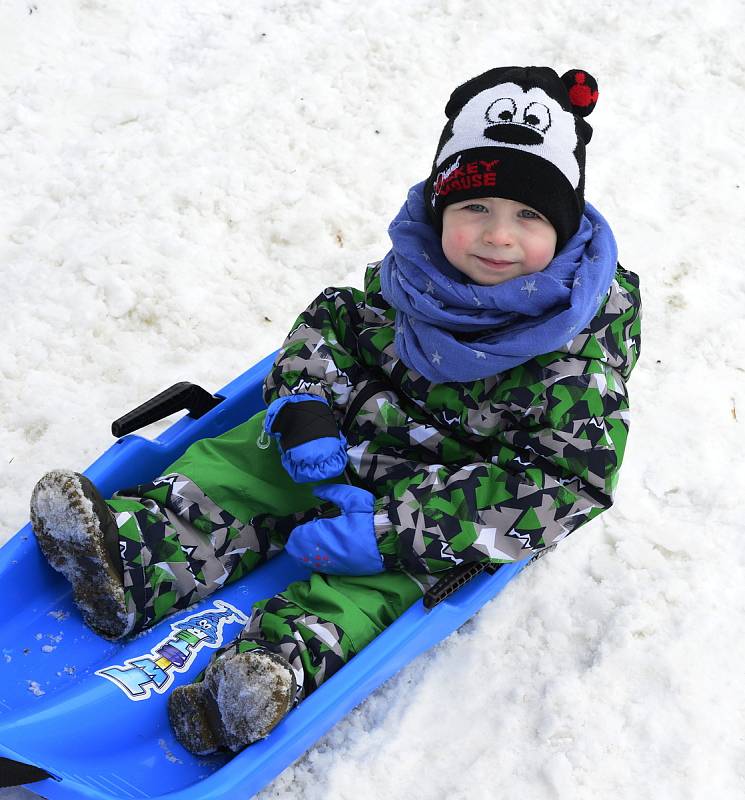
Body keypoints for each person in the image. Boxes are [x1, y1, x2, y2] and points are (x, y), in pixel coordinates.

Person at [29, 66, 641, 756]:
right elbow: (326, 328)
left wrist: (390, 529)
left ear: (561, 230)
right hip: (343, 446)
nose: (497, 235)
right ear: (440, 208)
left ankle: (264, 677)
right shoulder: (410, 279)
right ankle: (133, 561)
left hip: (436, 499)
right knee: (239, 460)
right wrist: (303, 407)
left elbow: (564, 482)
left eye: (528, 215)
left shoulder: (572, 361)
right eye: (474, 208)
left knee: (381, 586)